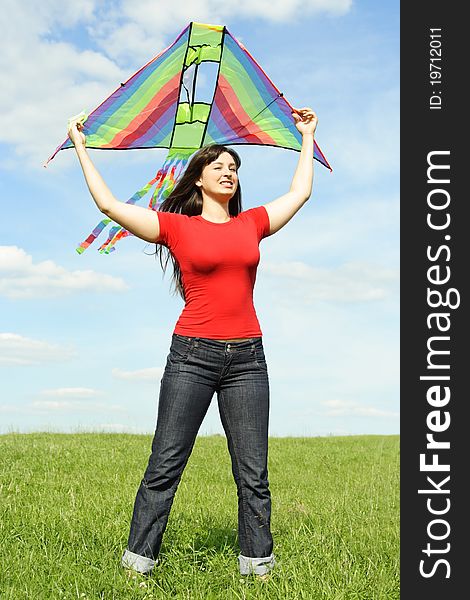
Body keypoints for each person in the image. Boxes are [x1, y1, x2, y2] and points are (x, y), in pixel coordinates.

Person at [67, 107, 318, 578]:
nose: (230, 172)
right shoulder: (176, 226)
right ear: (199, 180)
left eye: (235, 168)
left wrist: (306, 136)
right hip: (192, 356)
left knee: (253, 473)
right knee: (166, 462)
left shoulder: (253, 224)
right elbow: (108, 205)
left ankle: (258, 567)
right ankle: (138, 565)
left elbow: (300, 192)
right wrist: (81, 146)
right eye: (219, 166)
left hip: (248, 358)